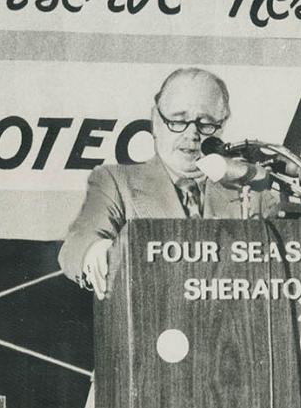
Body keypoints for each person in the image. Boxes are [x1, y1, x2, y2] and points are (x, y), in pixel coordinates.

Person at [58, 66, 281, 298]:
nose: (192, 135)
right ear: (155, 120)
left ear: (222, 124)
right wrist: (93, 251)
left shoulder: (250, 190)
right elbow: (78, 242)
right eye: (178, 120)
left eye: (205, 123)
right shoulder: (115, 182)